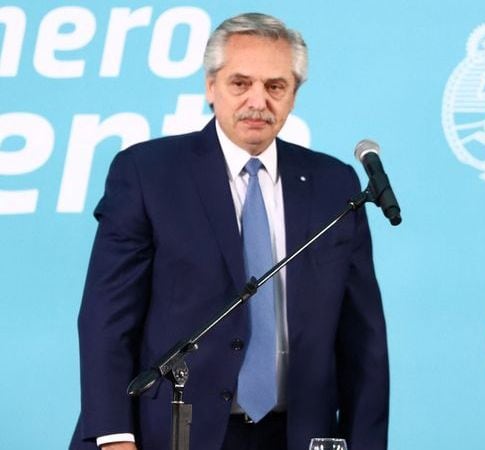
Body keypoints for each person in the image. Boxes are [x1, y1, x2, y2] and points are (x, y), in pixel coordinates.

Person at [70, 13, 389, 450]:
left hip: (297, 434)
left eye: (275, 86)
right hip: (171, 433)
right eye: (241, 83)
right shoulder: (148, 173)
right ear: (210, 87)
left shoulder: (335, 184)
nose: (258, 101)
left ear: (294, 95)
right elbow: (106, 319)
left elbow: (363, 338)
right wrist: (114, 437)